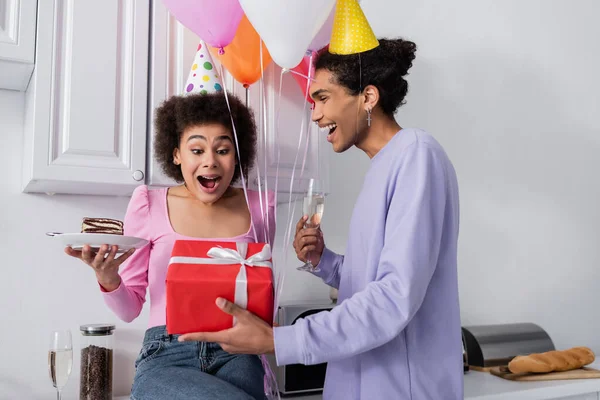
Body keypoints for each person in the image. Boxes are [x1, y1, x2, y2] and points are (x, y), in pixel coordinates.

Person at [178, 38, 463, 400]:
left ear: (368, 97)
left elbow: (395, 296)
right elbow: (374, 280)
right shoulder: (383, 166)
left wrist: (278, 340)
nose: (314, 114)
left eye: (323, 98)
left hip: (399, 387)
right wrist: (324, 262)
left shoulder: (417, 155)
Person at [65, 92, 275, 400]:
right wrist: (108, 278)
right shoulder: (148, 204)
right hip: (166, 352)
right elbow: (129, 309)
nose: (210, 161)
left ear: (236, 154)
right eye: (197, 149)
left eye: (223, 149)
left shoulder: (260, 206)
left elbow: (261, 294)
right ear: (177, 154)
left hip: (238, 351)